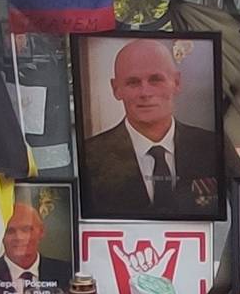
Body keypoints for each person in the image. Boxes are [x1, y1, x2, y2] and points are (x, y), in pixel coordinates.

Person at [82, 39, 220, 218]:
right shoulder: (90, 156)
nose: (145, 93)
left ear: (176, 82)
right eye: (133, 82)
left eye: (156, 80)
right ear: (116, 89)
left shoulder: (212, 145)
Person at [0, 203, 72, 294]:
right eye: (10, 231)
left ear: (41, 231)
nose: (19, 237)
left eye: (26, 229)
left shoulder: (67, 272)